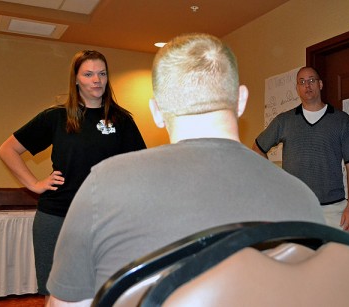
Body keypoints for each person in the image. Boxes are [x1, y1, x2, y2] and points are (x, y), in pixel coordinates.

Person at [46, 33, 325, 306]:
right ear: (241, 101)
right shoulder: (303, 197)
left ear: (156, 111)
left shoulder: (102, 186)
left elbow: (67, 303)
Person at [0, 50, 146, 299]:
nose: (96, 80)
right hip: (55, 218)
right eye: (88, 74)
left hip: (105, 220)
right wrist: (34, 183)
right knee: (54, 294)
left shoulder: (122, 120)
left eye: (102, 73)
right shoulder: (56, 117)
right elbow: (8, 149)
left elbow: (140, 167)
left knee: (103, 292)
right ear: (76, 79)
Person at [252, 66, 349, 232]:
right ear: (297, 88)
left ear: (320, 84)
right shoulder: (284, 120)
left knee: (331, 257)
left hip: (333, 211)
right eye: (302, 82)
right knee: (297, 257)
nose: (307, 85)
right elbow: (257, 148)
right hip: (294, 209)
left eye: (312, 80)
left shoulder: (342, 121)